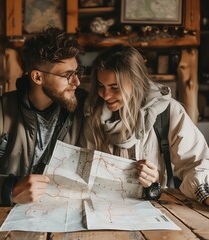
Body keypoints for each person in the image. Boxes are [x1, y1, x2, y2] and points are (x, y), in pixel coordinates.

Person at [0, 26, 87, 206]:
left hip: (65, 211)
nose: (77, 82)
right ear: (38, 77)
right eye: (67, 75)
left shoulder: (84, 107)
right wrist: (11, 189)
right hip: (5, 218)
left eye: (77, 72)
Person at [80, 44, 209, 205]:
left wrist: (156, 180)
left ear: (136, 83)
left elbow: (196, 163)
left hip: (154, 206)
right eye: (101, 86)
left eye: (115, 87)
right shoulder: (93, 115)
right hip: (102, 206)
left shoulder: (168, 112)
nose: (106, 95)